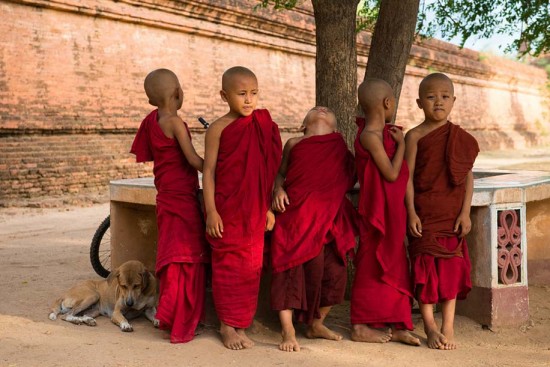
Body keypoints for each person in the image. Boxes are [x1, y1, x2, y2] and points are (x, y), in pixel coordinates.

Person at [202, 66, 282, 350]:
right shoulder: (219, 128)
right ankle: (226, 325)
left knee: (252, 267)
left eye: (254, 93)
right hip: (227, 209)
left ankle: (241, 323)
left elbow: (266, 171)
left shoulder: (262, 124)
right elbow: (208, 171)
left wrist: (268, 207)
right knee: (227, 267)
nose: (249, 100)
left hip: (254, 210)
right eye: (241, 94)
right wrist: (211, 211)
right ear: (224, 96)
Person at [130, 68, 209, 343]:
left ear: (152, 101)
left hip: (165, 196)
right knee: (188, 257)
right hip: (183, 198)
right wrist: (218, 162)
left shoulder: (152, 120)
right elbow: (193, 160)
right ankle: (182, 322)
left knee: (172, 255)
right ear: (178, 93)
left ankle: (168, 315)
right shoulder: (175, 122)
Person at [270, 106, 358, 352]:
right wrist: (278, 189)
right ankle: (288, 331)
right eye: (314, 110)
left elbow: (348, 177)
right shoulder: (294, 143)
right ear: (302, 125)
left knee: (335, 273)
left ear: (336, 129)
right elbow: (280, 173)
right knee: (289, 273)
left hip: (329, 219)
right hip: (296, 216)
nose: (321, 109)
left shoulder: (340, 148)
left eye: (327, 111)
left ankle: (317, 324)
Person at [405, 73, 479, 350]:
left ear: (454, 101)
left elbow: (467, 176)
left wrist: (465, 213)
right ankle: (429, 325)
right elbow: (408, 178)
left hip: (451, 214)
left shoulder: (459, 138)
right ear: (419, 102)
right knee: (425, 268)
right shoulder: (414, 136)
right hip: (424, 213)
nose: (439, 102)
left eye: (445, 96)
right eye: (431, 96)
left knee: (450, 269)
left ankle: (448, 325)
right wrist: (411, 212)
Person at [350, 78, 420, 346]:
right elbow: (391, 174)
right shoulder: (369, 136)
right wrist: (402, 146)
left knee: (396, 263)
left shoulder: (383, 133)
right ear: (388, 103)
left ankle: (398, 323)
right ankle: (359, 326)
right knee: (371, 265)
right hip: (376, 214)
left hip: (392, 211)